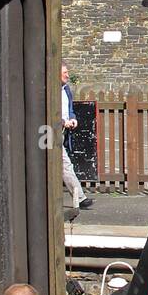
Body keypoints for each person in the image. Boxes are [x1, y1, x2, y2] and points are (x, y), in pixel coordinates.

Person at [61, 64, 93, 210]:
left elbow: (70, 109)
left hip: (62, 133)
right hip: (50, 132)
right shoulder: (49, 90)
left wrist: (72, 118)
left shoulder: (66, 89)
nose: (68, 75)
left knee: (64, 166)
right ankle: (80, 198)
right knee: (65, 165)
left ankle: (79, 198)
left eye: (67, 72)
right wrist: (62, 122)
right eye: (65, 73)